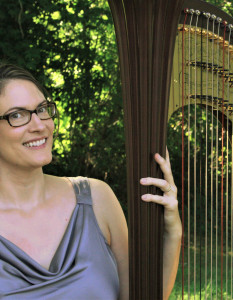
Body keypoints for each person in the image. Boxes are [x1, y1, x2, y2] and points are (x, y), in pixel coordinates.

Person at [0, 64, 182, 300]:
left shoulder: (97, 198)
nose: (39, 125)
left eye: (42, 109)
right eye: (17, 115)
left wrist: (173, 231)